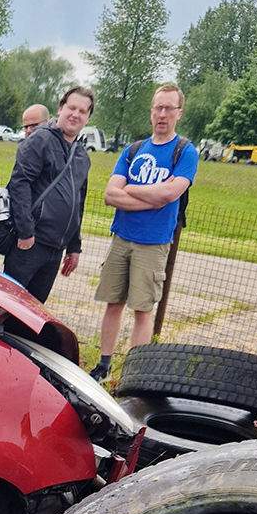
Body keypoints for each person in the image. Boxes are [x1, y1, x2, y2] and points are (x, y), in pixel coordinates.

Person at [90, 84, 198, 381]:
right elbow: (111, 195)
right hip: (122, 236)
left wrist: (133, 190)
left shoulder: (185, 152)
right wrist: (150, 196)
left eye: (168, 108)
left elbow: (169, 195)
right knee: (114, 303)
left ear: (179, 113)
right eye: (157, 108)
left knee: (142, 309)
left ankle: (134, 374)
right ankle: (104, 364)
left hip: (153, 243)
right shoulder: (133, 150)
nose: (162, 114)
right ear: (151, 112)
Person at [3, 89, 93, 304]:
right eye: (72, 108)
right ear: (61, 108)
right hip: (31, 243)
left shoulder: (81, 155)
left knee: (34, 311)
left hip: (55, 249)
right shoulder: (40, 140)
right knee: (7, 307)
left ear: (88, 117)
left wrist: (74, 246)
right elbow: (19, 183)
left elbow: (77, 203)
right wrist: (25, 232)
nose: (75, 115)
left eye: (82, 111)